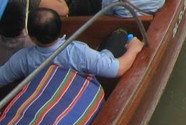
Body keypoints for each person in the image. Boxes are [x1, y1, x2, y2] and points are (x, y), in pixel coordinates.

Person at [0, 8, 144, 87]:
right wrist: (134, 48)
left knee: (107, 51)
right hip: (79, 93)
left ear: (33, 38)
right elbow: (118, 69)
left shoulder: (22, 58)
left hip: (54, 96)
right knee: (119, 35)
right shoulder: (77, 51)